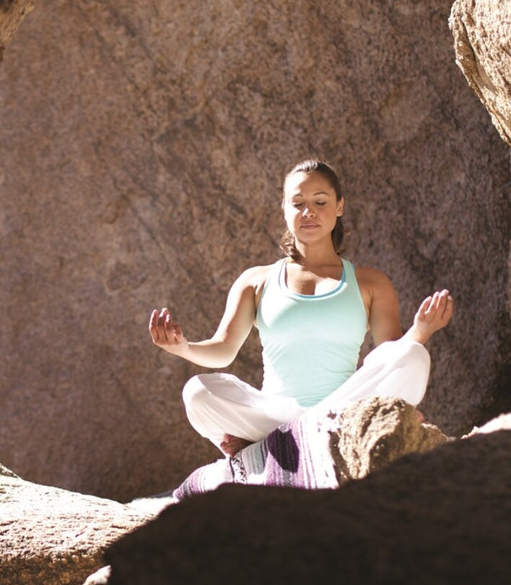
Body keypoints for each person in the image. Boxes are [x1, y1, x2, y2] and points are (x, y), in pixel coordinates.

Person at [149, 158, 454, 457]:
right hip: (275, 413)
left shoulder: (370, 282)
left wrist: (420, 331)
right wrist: (184, 348)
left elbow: (389, 355)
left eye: (320, 202)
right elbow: (223, 349)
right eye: (297, 203)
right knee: (197, 392)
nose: (308, 212)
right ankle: (290, 437)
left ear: (340, 207)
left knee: (414, 355)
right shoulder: (256, 281)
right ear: (284, 209)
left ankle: (268, 445)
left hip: (344, 410)